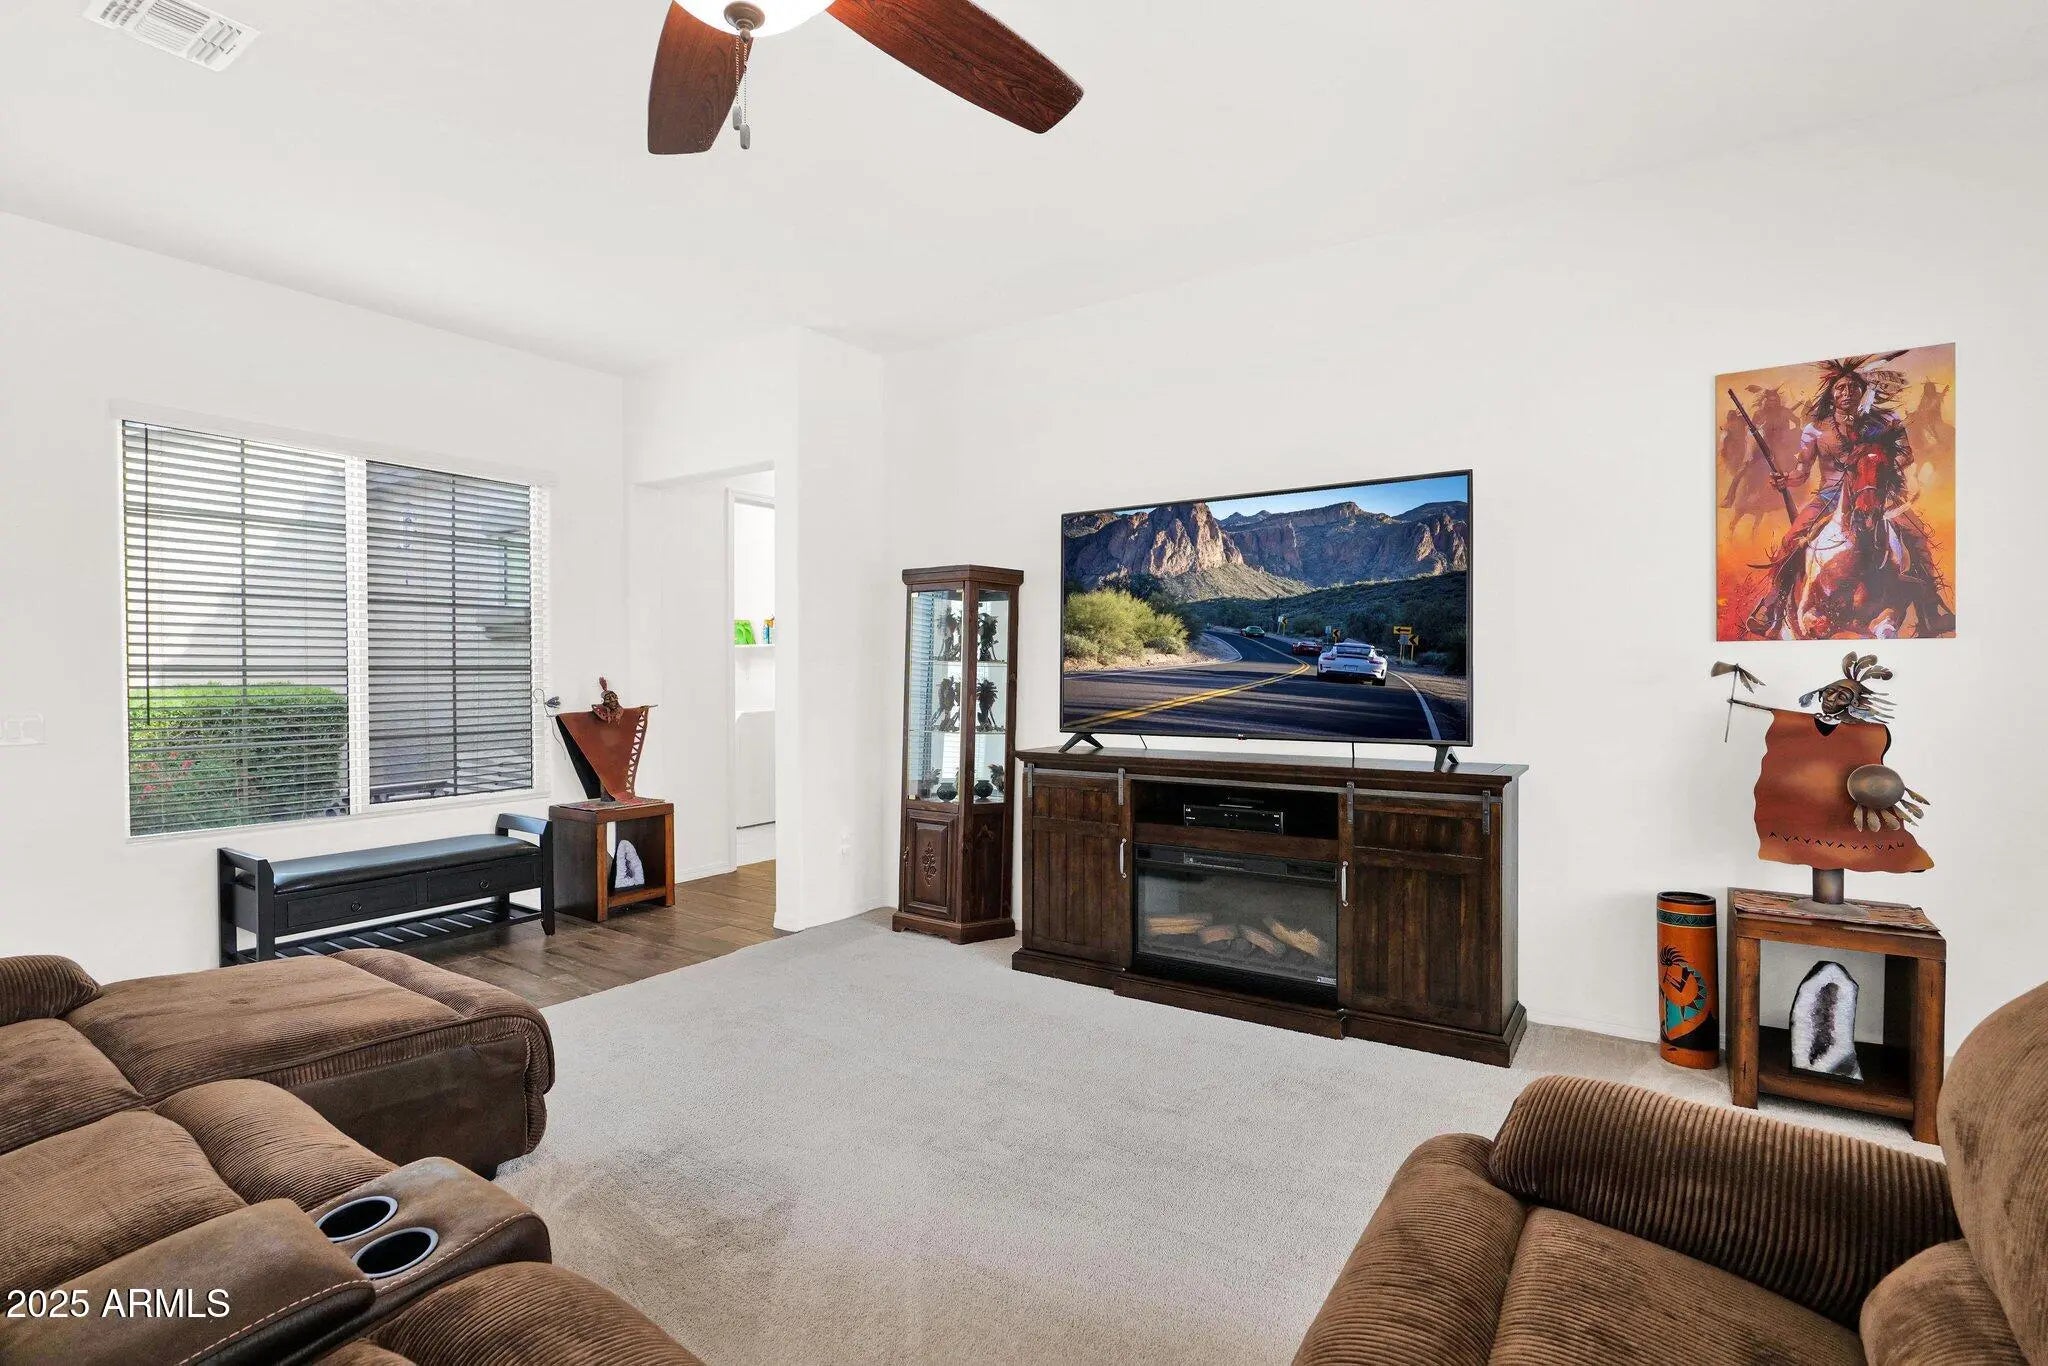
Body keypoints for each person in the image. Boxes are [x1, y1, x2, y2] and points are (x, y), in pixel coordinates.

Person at [1745, 359, 1954, 637]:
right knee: (1791, 540)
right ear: (1832, 394)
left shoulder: (1885, 422)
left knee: (1916, 536)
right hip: (1830, 496)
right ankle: (1773, 605)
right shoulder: (1815, 429)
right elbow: (1802, 470)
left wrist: (1877, 466)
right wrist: (1786, 479)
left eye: (1853, 388)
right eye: (1841, 388)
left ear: (1862, 392)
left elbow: (1906, 455)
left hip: (1876, 493)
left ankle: (1931, 609)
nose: (1847, 393)